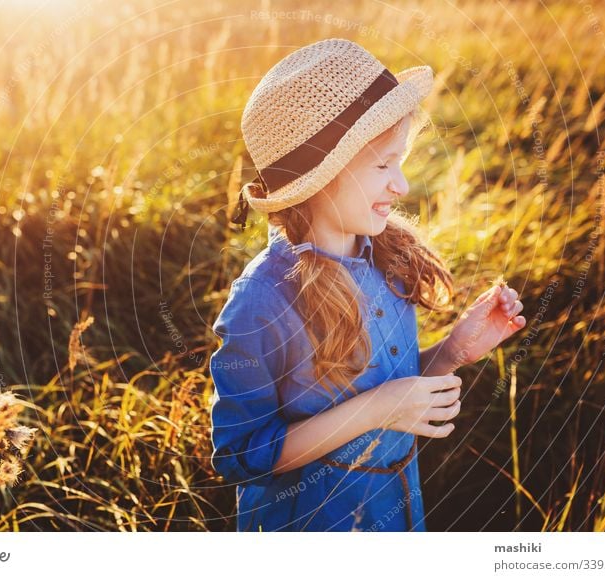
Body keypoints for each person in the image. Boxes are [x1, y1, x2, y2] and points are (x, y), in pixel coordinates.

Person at [209, 38, 526, 532]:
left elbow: (384, 389)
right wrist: (378, 408)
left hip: (394, 512)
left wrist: (450, 353)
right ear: (319, 178)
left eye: (399, 162)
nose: (400, 185)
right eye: (382, 165)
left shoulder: (386, 260)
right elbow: (238, 456)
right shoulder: (263, 300)